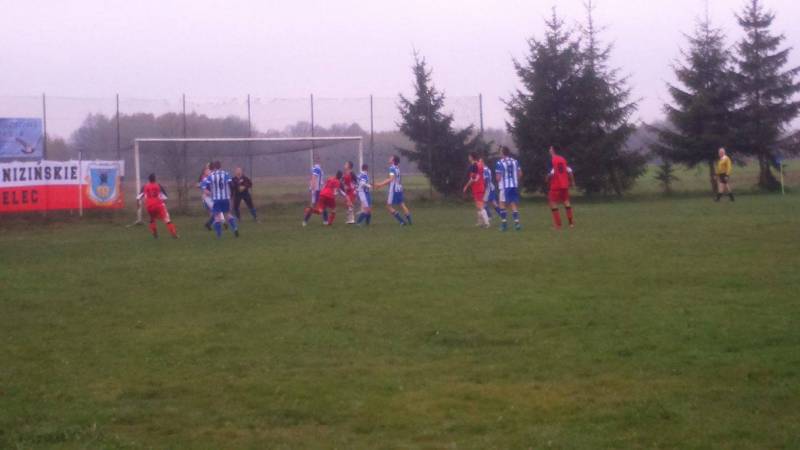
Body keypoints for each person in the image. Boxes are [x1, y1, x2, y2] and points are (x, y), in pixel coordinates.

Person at [199, 161, 239, 238]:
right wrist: (231, 195)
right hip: (225, 198)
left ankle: (219, 235)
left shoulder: (211, 175)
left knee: (217, 216)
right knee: (228, 214)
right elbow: (231, 185)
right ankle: (235, 229)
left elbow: (204, 185)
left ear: (213, 167)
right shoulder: (226, 174)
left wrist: (205, 191)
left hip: (216, 199)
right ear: (220, 166)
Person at [137, 173, 178, 239]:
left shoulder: (144, 186)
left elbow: (138, 197)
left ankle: (155, 234)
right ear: (155, 179)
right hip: (159, 205)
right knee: (167, 219)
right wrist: (163, 203)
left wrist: (138, 204)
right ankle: (174, 234)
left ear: (149, 179)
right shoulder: (158, 186)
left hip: (149, 206)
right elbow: (165, 197)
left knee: (152, 219)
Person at [374, 155, 412, 226]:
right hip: (399, 188)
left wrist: (380, 184)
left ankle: (402, 222)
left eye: (391, 158)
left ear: (393, 161)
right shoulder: (397, 168)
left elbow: (391, 179)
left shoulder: (391, 168)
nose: (389, 158)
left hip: (394, 189)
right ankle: (410, 222)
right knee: (402, 204)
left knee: (388, 206)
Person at [546, 146, 576, 229]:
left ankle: (558, 225)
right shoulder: (562, 159)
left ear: (553, 150)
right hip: (564, 184)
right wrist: (572, 181)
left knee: (553, 203)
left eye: (550, 149)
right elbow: (569, 170)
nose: (549, 150)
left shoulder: (552, 160)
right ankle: (571, 224)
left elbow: (551, 173)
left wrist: (547, 179)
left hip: (556, 185)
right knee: (566, 201)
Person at [495, 146, 523, 231]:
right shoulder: (515, 161)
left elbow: (498, 177)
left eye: (500, 151)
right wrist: (515, 180)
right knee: (513, 204)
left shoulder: (499, 163)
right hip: (514, 185)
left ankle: (504, 225)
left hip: (504, 186)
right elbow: (520, 174)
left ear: (502, 153)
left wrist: (498, 180)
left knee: (502, 204)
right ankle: (517, 224)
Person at [463, 152, 490, 228]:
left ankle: (487, 223)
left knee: (480, 206)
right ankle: (480, 222)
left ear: (472, 157)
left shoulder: (474, 166)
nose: (468, 158)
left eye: (469, 156)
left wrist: (466, 186)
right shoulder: (479, 164)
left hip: (478, 187)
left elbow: (473, 178)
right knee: (478, 206)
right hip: (480, 186)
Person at [308, 155, 328, 223]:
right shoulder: (317, 168)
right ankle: (325, 221)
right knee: (321, 205)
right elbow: (314, 178)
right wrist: (313, 188)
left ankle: (305, 221)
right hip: (317, 190)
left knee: (314, 205)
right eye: (318, 159)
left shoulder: (315, 168)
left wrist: (311, 187)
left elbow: (314, 178)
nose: (319, 160)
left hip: (318, 189)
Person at [198, 162, 215, 231]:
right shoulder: (204, 177)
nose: (208, 169)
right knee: (216, 211)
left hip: (212, 197)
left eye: (209, 167)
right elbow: (201, 185)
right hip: (207, 197)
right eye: (207, 168)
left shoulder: (212, 175)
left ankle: (210, 224)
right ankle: (209, 224)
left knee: (215, 212)